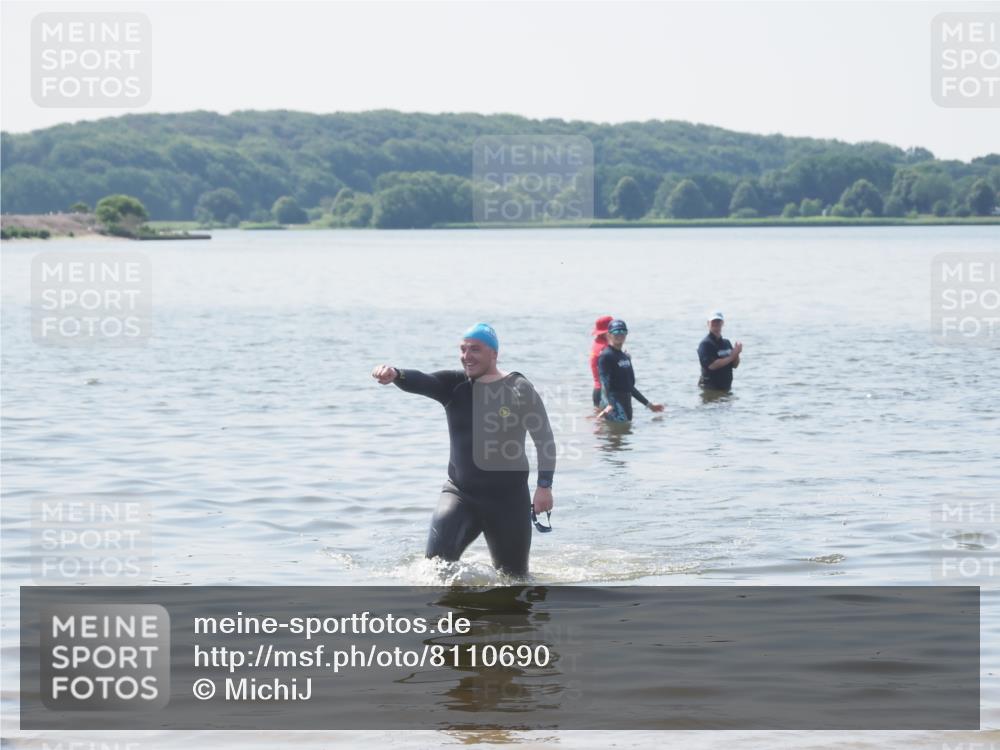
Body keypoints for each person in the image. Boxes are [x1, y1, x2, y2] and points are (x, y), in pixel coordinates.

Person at [371, 323, 555, 578]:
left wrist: (544, 486)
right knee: (434, 569)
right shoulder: (454, 385)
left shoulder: (519, 388)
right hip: (461, 495)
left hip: (509, 500)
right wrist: (396, 374)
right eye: (463, 349)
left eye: (475, 349)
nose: (467, 356)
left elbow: (544, 439)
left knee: (515, 580)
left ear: (494, 353)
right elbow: (424, 380)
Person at [597, 319, 665, 422]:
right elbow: (604, 382)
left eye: (623, 331)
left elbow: (629, 387)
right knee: (615, 430)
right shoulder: (606, 356)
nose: (620, 335)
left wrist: (649, 405)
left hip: (626, 402)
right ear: (609, 335)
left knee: (626, 429)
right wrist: (608, 404)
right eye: (616, 332)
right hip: (613, 405)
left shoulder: (625, 357)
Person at [697, 311, 742, 391]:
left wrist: (737, 353)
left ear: (722, 323)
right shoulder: (705, 344)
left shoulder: (726, 343)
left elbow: (735, 365)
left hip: (726, 388)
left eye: (718, 321)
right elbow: (712, 365)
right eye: (713, 321)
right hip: (709, 389)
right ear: (708, 323)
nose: (716, 324)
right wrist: (732, 356)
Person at [589, 315, 613, 408]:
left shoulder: (597, 343)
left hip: (598, 389)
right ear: (606, 333)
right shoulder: (605, 348)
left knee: (599, 416)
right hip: (604, 392)